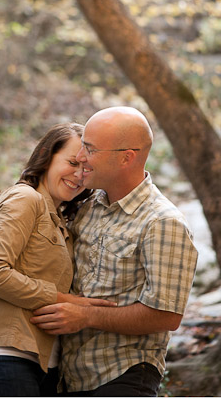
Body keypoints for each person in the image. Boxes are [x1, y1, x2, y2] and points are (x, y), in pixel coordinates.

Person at [31, 106, 198, 397]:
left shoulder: (162, 222)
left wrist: (86, 317)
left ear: (126, 158)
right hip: (69, 378)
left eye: (91, 149)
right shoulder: (85, 207)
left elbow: (166, 315)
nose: (81, 157)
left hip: (124, 376)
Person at [0, 123, 116, 397]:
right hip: (1, 354)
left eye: (86, 169)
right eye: (71, 162)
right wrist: (64, 301)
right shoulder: (24, 198)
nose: (79, 176)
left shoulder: (59, 218)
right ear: (46, 156)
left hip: (40, 361)